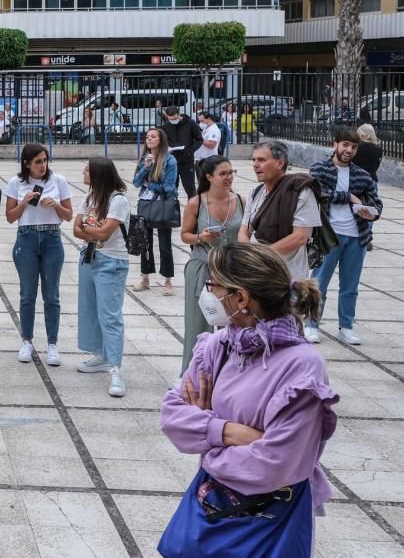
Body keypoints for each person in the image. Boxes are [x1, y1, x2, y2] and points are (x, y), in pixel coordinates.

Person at [159, 243, 338, 558]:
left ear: (240, 298)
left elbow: (275, 465)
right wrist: (226, 432)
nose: (208, 293)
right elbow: (172, 416)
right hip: (211, 506)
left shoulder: (302, 367)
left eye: (212, 286)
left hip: (268, 521)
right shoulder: (219, 345)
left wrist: (206, 445)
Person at [308, 130, 381, 346]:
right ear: (335, 144)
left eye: (354, 147)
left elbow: (377, 203)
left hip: (356, 237)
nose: (349, 150)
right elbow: (316, 192)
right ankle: (311, 325)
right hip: (329, 235)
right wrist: (348, 196)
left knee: (350, 287)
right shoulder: (320, 168)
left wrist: (371, 212)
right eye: (345, 145)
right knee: (319, 284)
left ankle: (346, 327)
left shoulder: (362, 175)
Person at [3, 144, 73, 367]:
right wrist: (24, 201)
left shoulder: (58, 181)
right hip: (27, 238)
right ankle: (27, 340)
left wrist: (56, 206)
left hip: (52, 237)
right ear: (27, 163)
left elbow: (69, 216)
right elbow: (10, 217)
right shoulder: (16, 183)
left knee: (51, 294)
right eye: (38, 162)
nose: (43, 166)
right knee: (27, 294)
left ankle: (52, 344)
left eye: (45, 160)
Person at [74, 157, 133, 398]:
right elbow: (76, 229)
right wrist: (92, 231)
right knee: (90, 310)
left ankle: (116, 369)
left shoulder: (117, 201)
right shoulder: (89, 198)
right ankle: (101, 355)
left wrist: (90, 231)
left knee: (110, 315)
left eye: (87, 169)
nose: (83, 172)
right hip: (89, 258)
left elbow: (105, 233)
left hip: (111, 261)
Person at [179, 156, 245, 373]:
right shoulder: (196, 202)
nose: (229, 177)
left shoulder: (241, 201)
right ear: (209, 177)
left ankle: (227, 373)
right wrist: (200, 237)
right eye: (223, 173)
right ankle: (192, 374)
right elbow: (185, 235)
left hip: (232, 270)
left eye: (231, 172)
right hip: (202, 268)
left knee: (233, 323)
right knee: (198, 324)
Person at [239, 140, 322, 282]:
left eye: (262, 160)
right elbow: (243, 231)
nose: (255, 164)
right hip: (256, 274)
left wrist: (260, 255)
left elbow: (300, 237)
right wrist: (250, 258)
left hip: (286, 276)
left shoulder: (300, 192)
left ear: (280, 163)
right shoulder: (255, 192)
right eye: (254, 160)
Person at [131, 126, 179, 294]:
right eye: (147, 136)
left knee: (165, 244)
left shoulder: (170, 160)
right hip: (145, 204)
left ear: (161, 140)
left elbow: (169, 188)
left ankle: (167, 280)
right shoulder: (145, 158)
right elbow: (136, 182)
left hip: (163, 204)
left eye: (153, 136)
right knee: (145, 242)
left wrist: (149, 184)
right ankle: (145, 277)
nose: (149, 139)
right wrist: (146, 166)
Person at [161, 105, 203, 198]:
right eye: (170, 119)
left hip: (187, 161)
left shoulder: (190, 123)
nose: (173, 121)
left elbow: (199, 139)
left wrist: (191, 150)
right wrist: (167, 147)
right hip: (172, 161)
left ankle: (192, 209)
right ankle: (172, 208)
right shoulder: (166, 126)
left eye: (175, 118)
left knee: (190, 188)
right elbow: (164, 141)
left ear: (179, 114)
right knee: (171, 188)